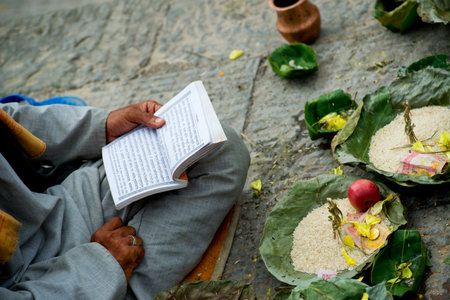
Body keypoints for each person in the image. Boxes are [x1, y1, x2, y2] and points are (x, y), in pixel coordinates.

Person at [0, 100, 250, 299]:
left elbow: (8, 120)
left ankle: (124, 277)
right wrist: (99, 270)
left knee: (216, 147)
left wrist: (103, 127)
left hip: (50, 212)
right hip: (36, 288)